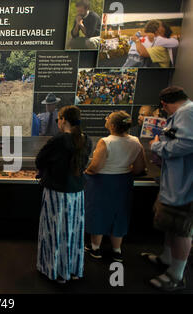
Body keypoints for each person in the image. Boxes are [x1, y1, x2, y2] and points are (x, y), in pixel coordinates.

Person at [141, 86, 193, 292]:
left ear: (164, 104)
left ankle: (176, 275)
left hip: (185, 186)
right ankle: (167, 258)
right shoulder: (183, 113)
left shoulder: (187, 113)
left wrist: (156, 146)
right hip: (176, 183)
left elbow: (186, 144)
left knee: (181, 229)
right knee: (171, 224)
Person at [35, 105, 92, 283]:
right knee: (73, 231)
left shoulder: (59, 140)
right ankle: (73, 269)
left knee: (55, 230)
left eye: (59, 119)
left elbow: (40, 160)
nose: (58, 122)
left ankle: (56, 271)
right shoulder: (86, 139)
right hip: (77, 194)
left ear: (64, 120)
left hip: (56, 194)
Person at [84, 111, 146, 262]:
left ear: (112, 125)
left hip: (101, 182)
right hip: (123, 181)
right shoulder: (136, 141)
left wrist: (86, 171)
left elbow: (96, 166)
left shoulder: (106, 141)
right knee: (120, 213)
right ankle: (117, 250)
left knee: (98, 211)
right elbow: (139, 168)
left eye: (108, 118)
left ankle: (95, 248)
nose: (106, 119)